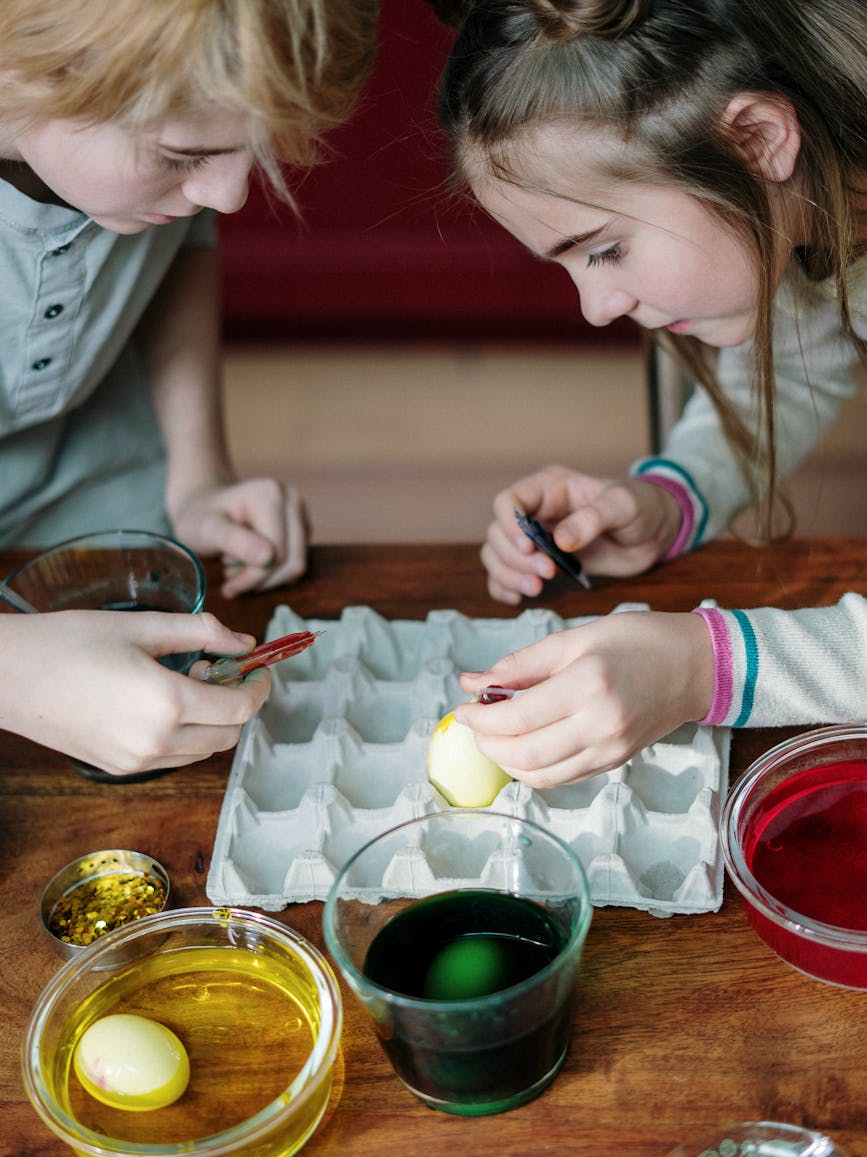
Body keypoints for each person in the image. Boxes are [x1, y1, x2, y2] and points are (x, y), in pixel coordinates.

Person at [433, 0, 867, 788]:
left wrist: (701, 668)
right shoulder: (816, 208)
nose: (595, 309)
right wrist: (670, 500)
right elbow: (805, 365)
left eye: (606, 249)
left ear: (759, 139)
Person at [0, 0, 377, 775]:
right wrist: (15, 673)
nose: (231, 197)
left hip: (90, 475)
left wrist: (197, 475)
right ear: (22, 70)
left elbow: (179, 251)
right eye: (182, 153)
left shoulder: (146, 168)